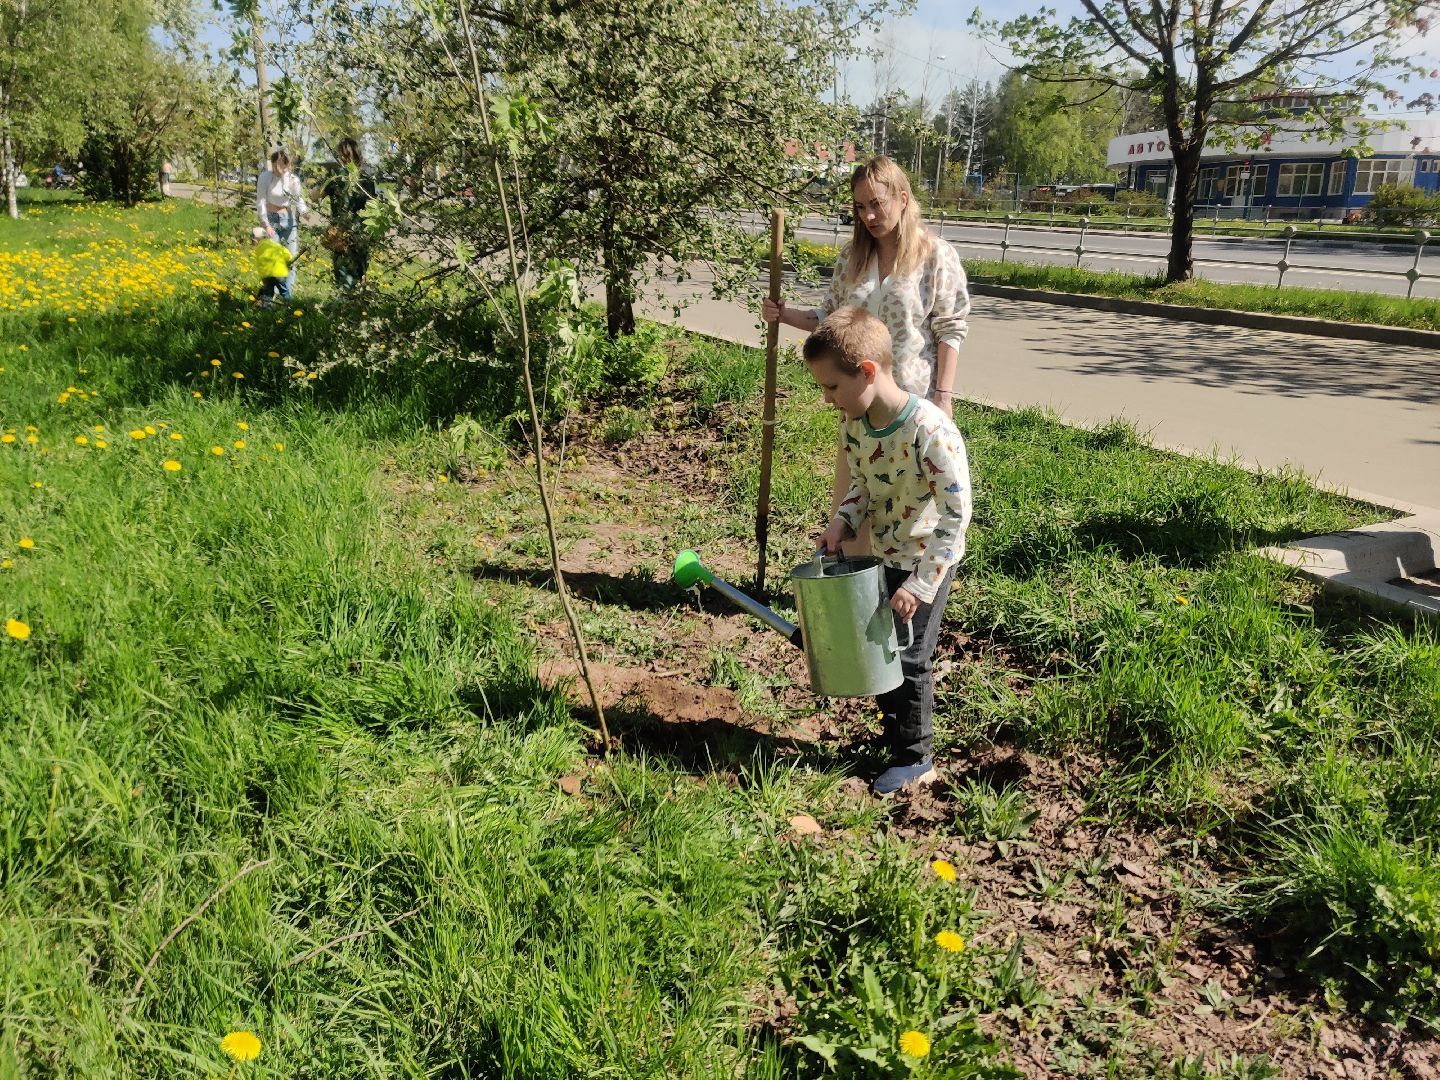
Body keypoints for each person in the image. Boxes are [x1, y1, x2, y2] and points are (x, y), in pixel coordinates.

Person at [763, 155, 970, 554]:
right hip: (858, 409)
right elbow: (830, 318)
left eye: (877, 203)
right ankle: (852, 595)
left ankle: (906, 595)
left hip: (909, 408)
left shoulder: (935, 256)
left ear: (903, 198)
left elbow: (951, 327)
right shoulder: (852, 258)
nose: (869, 215)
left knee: (907, 519)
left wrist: (943, 396)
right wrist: (784, 314)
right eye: (860, 206)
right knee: (853, 506)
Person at [806, 307, 972, 795]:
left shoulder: (929, 429)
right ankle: (893, 737)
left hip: (927, 561)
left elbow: (956, 513)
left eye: (832, 386)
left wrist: (921, 584)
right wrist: (842, 521)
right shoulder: (857, 426)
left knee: (912, 656)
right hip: (886, 554)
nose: (827, 398)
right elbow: (863, 484)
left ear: (868, 372)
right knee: (884, 653)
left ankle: (916, 757)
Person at [315, 137, 377, 290]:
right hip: (362, 233)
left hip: (341, 234)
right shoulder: (366, 178)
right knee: (360, 272)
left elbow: (315, 196)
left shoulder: (336, 175)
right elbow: (372, 207)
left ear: (342, 155)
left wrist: (321, 182)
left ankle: (345, 306)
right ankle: (358, 303)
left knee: (343, 276)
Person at [256, 148, 308, 297]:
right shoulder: (265, 177)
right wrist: (265, 223)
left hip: (288, 220)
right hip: (271, 219)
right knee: (272, 258)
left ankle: (286, 296)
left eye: (284, 166)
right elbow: (260, 201)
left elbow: (298, 199)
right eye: (277, 165)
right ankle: (268, 294)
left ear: (288, 165)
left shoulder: (293, 179)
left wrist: (304, 212)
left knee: (290, 259)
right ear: (272, 163)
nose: (280, 169)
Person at [250, 225, 297, 306]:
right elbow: (287, 255)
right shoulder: (275, 245)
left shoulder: (258, 250)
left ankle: (266, 308)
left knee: (268, 293)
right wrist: (288, 261)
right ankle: (289, 305)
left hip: (266, 275)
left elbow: (259, 263)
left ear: (256, 239)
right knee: (284, 291)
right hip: (279, 273)